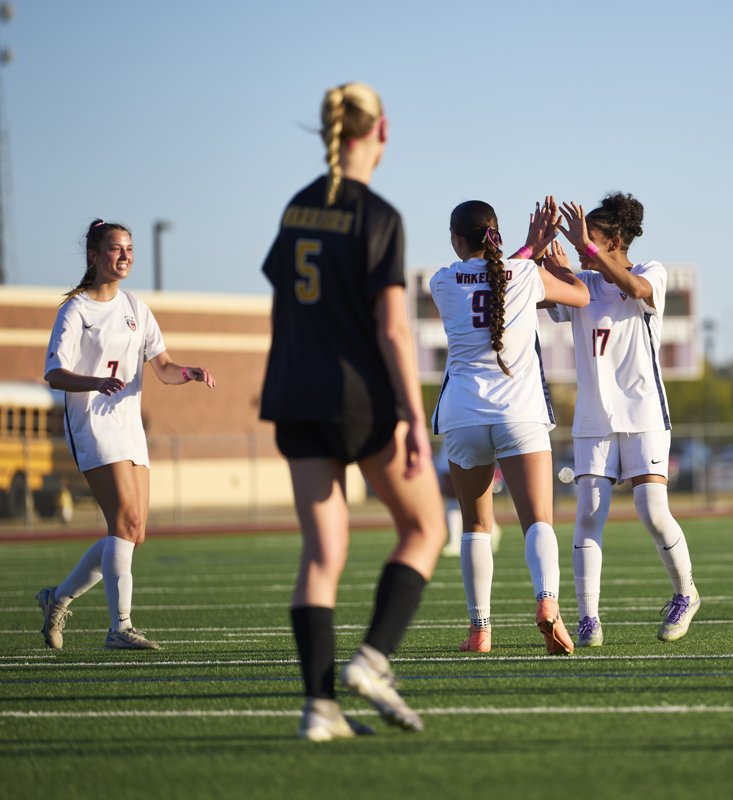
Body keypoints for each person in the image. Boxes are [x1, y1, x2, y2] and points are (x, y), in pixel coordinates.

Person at [260, 82, 445, 741]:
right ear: (383, 131)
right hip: (359, 398)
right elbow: (394, 330)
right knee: (427, 527)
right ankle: (371, 662)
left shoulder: (295, 208)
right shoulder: (378, 215)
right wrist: (415, 417)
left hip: (294, 396)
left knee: (322, 554)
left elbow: (285, 302)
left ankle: (320, 709)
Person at [38, 219, 216, 652]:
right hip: (93, 427)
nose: (125, 257)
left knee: (133, 532)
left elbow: (163, 367)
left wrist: (189, 372)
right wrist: (94, 383)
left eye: (130, 249)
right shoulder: (76, 310)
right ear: (94, 256)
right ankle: (120, 627)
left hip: (128, 427)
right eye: (116, 249)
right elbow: (53, 373)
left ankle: (57, 599)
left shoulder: (136, 308)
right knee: (124, 523)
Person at [430, 198, 589, 655]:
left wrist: (527, 247)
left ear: (457, 239)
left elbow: (485, 275)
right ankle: (548, 604)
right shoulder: (525, 275)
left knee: (476, 525)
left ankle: (480, 630)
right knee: (537, 520)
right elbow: (578, 295)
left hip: (463, 417)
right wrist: (548, 257)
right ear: (495, 234)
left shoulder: (440, 281)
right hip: (520, 413)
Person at [550, 194, 700, 647]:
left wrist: (586, 253)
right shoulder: (583, 284)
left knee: (652, 511)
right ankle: (589, 619)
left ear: (614, 240)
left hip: (644, 412)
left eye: (589, 239)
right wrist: (544, 255)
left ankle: (686, 593)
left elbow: (636, 293)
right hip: (595, 418)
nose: (581, 247)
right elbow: (539, 297)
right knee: (589, 514)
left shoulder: (650, 271)